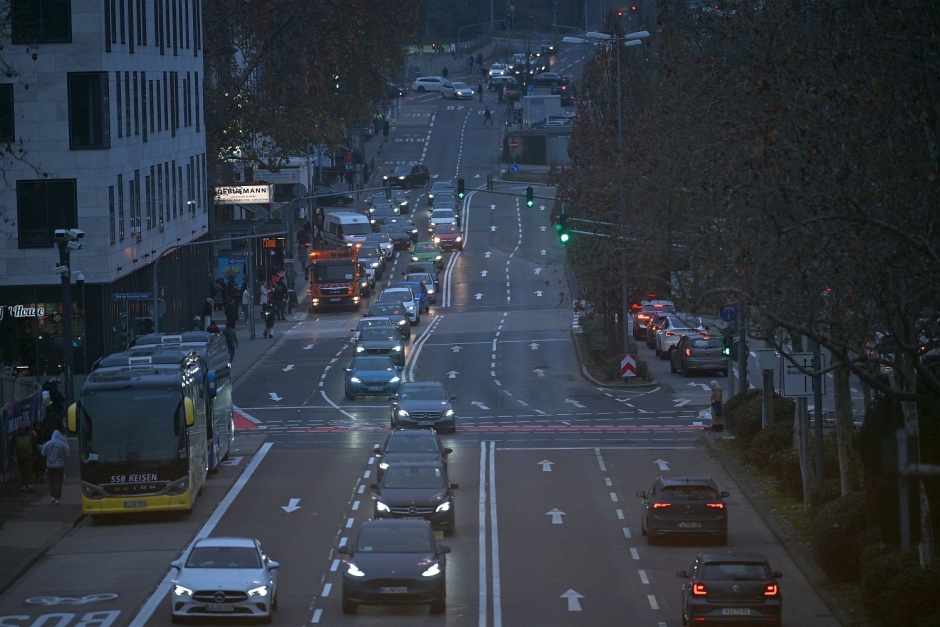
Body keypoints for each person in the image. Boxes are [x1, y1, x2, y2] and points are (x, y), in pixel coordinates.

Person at [9, 419, 39, 492]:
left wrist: (35, 455)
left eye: (24, 424)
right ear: (19, 425)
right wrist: (12, 454)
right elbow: (11, 445)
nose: (22, 426)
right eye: (21, 424)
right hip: (19, 456)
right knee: (22, 472)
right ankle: (24, 485)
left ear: (26, 425)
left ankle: (29, 484)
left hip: (29, 456)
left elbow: (34, 445)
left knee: (29, 470)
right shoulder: (15, 434)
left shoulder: (31, 434)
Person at [41, 430, 69, 504]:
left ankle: (53, 496)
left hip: (50, 465)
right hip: (60, 465)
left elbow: (43, 453)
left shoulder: (48, 443)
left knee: (51, 481)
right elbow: (67, 454)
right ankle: (57, 498)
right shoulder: (63, 444)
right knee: (58, 482)